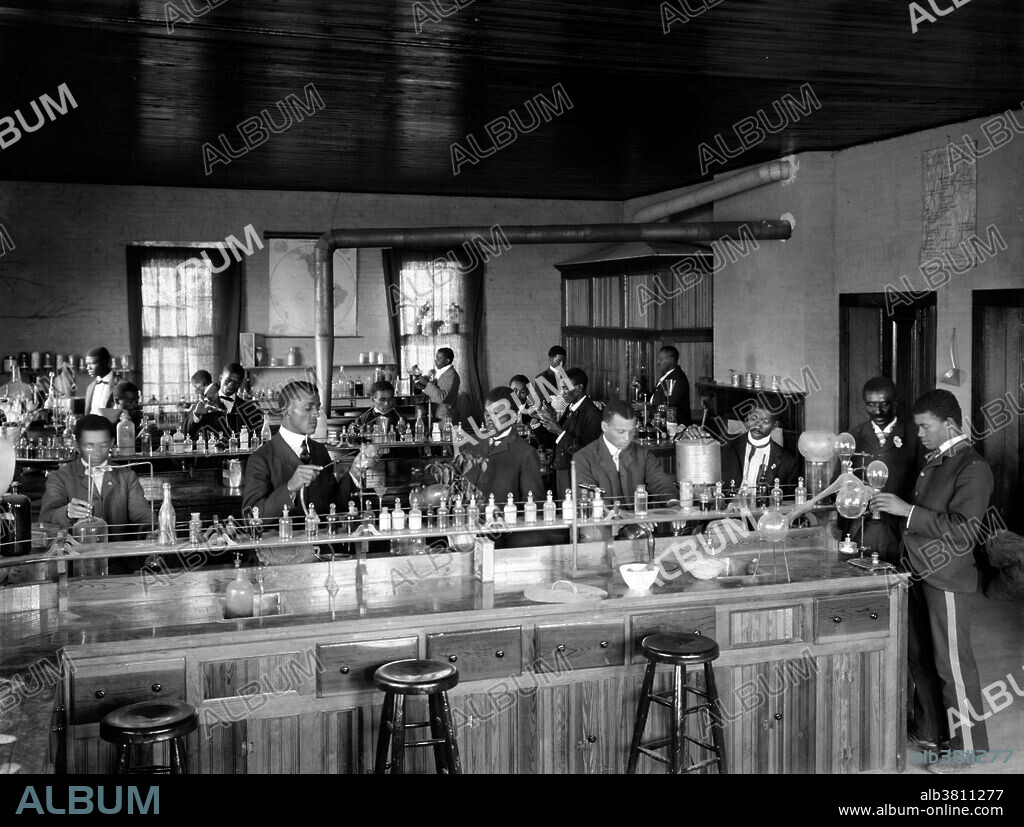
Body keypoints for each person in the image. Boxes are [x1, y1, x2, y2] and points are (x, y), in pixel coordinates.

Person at [871, 389, 993, 772]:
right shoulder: (936, 460)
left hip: (946, 577)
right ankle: (933, 732)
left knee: (953, 666)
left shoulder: (972, 467)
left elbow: (962, 533)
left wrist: (906, 511)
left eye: (925, 426)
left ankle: (969, 748)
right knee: (921, 657)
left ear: (950, 425)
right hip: (919, 571)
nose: (919, 433)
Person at [243, 381, 373, 533]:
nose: (316, 415)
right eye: (308, 408)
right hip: (283, 552)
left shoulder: (319, 450)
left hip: (323, 549)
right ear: (286, 411)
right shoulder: (261, 458)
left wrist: (355, 471)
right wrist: (290, 488)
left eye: (317, 408)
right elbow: (250, 519)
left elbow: (334, 505)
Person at [39, 414, 154, 573]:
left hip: (121, 565)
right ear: (77, 445)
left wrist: (153, 530)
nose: (97, 452)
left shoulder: (126, 476)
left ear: (112, 443)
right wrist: (67, 512)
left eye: (103, 445)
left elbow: (142, 515)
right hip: (75, 567)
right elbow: (45, 518)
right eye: (89, 446)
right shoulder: (60, 477)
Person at [847, 376, 923, 563]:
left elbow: (925, 483)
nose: (878, 411)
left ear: (895, 403)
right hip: (861, 528)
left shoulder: (916, 436)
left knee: (898, 582)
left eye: (884, 404)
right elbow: (841, 481)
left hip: (900, 529)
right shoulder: (853, 436)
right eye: (871, 405)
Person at [573, 400, 678, 505]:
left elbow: (661, 483)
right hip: (605, 520)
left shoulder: (642, 454)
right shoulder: (583, 458)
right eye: (620, 432)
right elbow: (586, 498)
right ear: (604, 426)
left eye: (632, 432)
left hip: (639, 520)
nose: (627, 438)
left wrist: (673, 502)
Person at [686, 403, 799, 491]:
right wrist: (693, 433)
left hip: (762, 516)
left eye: (765, 421)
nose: (757, 425)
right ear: (747, 418)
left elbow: (787, 502)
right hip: (726, 512)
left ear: (775, 425)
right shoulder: (724, 444)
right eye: (754, 418)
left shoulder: (787, 461)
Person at [536, 367, 602, 495]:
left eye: (566, 387)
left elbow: (587, 452)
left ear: (579, 388)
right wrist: (539, 423)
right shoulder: (571, 407)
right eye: (561, 388)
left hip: (577, 474)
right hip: (563, 468)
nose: (562, 392)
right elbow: (555, 440)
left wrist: (560, 432)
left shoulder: (593, 414)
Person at [188, 363, 263, 438]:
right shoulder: (204, 405)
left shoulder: (249, 409)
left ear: (240, 384)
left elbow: (255, 439)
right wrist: (197, 415)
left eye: (236, 383)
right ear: (220, 378)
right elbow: (188, 435)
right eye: (228, 380)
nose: (231, 385)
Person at [645, 345, 692, 427]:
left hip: (674, 427)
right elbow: (656, 397)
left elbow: (670, 405)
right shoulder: (668, 375)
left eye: (661, 359)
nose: (658, 362)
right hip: (660, 421)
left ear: (671, 360)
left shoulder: (677, 379)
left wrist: (646, 409)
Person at [415, 348, 460, 422]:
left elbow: (442, 397)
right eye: (436, 358)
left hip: (445, 417)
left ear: (447, 361)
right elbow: (436, 391)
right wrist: (423, 387)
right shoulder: (444, 373)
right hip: (438, 414)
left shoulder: (451, 375)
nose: (435, 360)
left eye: (439, 358)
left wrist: (427, 384)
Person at [84, 347, 116, 415]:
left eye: (92, 363)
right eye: (87, 364)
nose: (88, 368)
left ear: (104, 362)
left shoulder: (122, 385)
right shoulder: (89, 388)